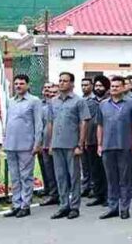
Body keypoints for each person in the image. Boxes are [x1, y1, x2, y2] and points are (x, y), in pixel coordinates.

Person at [96, 76, 132, 220]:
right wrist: (99, 144)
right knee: (111, 179)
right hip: (107, 146)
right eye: (112, 86)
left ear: (123, 88)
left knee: (124, 179)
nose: (114, 88)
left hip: (125, 146)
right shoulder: (103, 104)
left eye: (117, 86)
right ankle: (113, 207)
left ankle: (124, 207)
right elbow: (100, 125)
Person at [47, 72, 92, 220]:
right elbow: (51, 123)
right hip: (57, 144)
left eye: (65, 81)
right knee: (60, 177)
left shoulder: (78, 101)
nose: (61, 83)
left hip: (72, 144)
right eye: (60, 81)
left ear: (72, 84)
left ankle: (74, 207)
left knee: (74, 177)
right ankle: (63, 205)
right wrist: (50, 143)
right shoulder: (53, 101)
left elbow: (83, 123)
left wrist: (80, 144)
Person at [3, 74, 43, 218]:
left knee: (26, 177)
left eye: (21, 83)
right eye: (16, 84)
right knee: (14, 177)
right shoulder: (11, 101)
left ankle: (25, 205)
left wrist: (37, 144)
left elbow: (38, 124)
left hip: (27, 145)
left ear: (27, 85)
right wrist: (5, 140)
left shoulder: (34, 101)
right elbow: (8, 122)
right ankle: (16, 204)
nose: (18, 86)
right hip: (11, 145)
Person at [84, 76, 108, 207]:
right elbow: (85, 120)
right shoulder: (89, 101)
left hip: (107, 141)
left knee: (107, 170)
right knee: (95, 170)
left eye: (101, 86)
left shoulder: (110, 100)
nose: (98, 88)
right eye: (97, 86)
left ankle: (108, 196)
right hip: (92, 140)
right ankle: (98, 195)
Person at [38, 83, 60, 206]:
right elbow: (40, 127)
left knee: (60, 172)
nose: (51, 95)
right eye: (49, 93)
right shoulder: (43, 108)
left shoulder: (62, 106)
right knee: (49, 172)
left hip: (59, 144)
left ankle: (64, 195)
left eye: (54, 93)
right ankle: (53, 195)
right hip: (46, 144)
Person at [80, 78, 94, 197]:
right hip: (81, 135)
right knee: (84, 164)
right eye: (82, 85)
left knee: (92, 163)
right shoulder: (80, 100)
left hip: (91, 135)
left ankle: (93, 187)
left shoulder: (94, 100)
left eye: (86, 85)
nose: (84, 87)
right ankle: (86, 186)